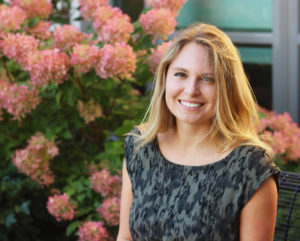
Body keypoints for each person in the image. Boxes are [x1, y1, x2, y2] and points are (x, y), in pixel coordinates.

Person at [117, 22, 280, 241]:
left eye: (207, 79)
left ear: (226, 88)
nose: (191, 90)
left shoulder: (251, 168)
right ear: (165, 78)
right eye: (181, 74)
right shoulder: (140, 147)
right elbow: (126, 238)